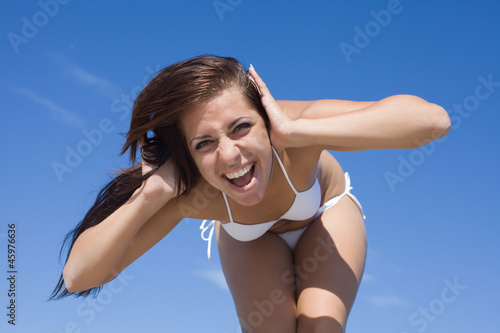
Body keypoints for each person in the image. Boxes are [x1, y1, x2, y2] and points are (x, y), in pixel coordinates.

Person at [50, 55, 450, 332]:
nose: (230, 155)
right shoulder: (190, 193)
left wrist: (297, 133)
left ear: (264, 117)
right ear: (187, 152)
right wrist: (150, 196)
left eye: (241, 127)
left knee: (318, 326)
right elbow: (79, 277)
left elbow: (432, 121)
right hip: (249, 238)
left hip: (323, 212)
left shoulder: (293, 131)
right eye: (204, 143)